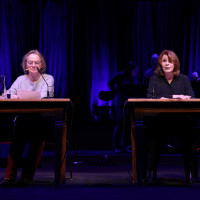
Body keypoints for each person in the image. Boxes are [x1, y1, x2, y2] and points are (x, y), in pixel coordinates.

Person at [0, 50, 54, 186]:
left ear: (41, 65)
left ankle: (26, 177)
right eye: (30, 62)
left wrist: (22, 96)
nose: (33, 65)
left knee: (38, 141)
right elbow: (9, 94)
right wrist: (12, 96)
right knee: (17, 142)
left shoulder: (48, 79)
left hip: (41, 119)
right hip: (23, 119)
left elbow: (44, 96)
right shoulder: (20, 79)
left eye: (36, 62)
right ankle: (9, 177)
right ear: (26, 65)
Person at [146, 49, 196, 184]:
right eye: (164, 61)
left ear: (175, 63)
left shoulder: (184, 79)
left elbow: (191, 97)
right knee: (153, 139)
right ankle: (151, 172)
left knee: (190, 138)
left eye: (170, 61)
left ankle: (190, 172)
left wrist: (167, 98)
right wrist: (175, 97)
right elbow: (151, 97)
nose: (167, 64)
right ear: (160, 64)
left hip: (181, 120)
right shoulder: (154, 80)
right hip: (160, 120)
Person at [108, 60, 139, 152]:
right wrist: (115, 91)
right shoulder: (121, 75)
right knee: (120, 122)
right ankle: (115, 146)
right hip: (120, 101)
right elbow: (110, 83)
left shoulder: (132, 77)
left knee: (126, 124)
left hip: (128, 102)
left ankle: (124, 146)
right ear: (131, 69)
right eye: (135, 70)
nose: (137, 72)